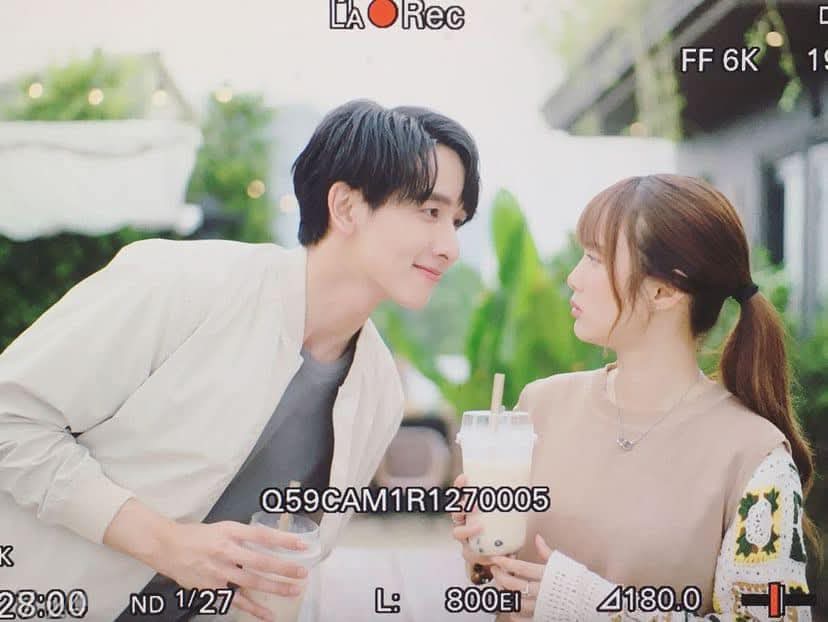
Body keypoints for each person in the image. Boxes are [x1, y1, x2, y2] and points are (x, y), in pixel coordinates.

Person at [0, 99, 480, 621]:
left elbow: (288, 562)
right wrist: (164, 543)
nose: (450, 247)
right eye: (431, 212)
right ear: (345, 206)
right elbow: (11, 418)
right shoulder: (180, 282)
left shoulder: (378, 392)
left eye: (456, 221)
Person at [450, 174, 821, 621]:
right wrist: (482, 555)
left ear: (664, 290)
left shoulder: (754, 455)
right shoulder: (539, 407)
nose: (573, 277)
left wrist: (595, 607)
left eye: (595, 258)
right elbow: (501, 587)